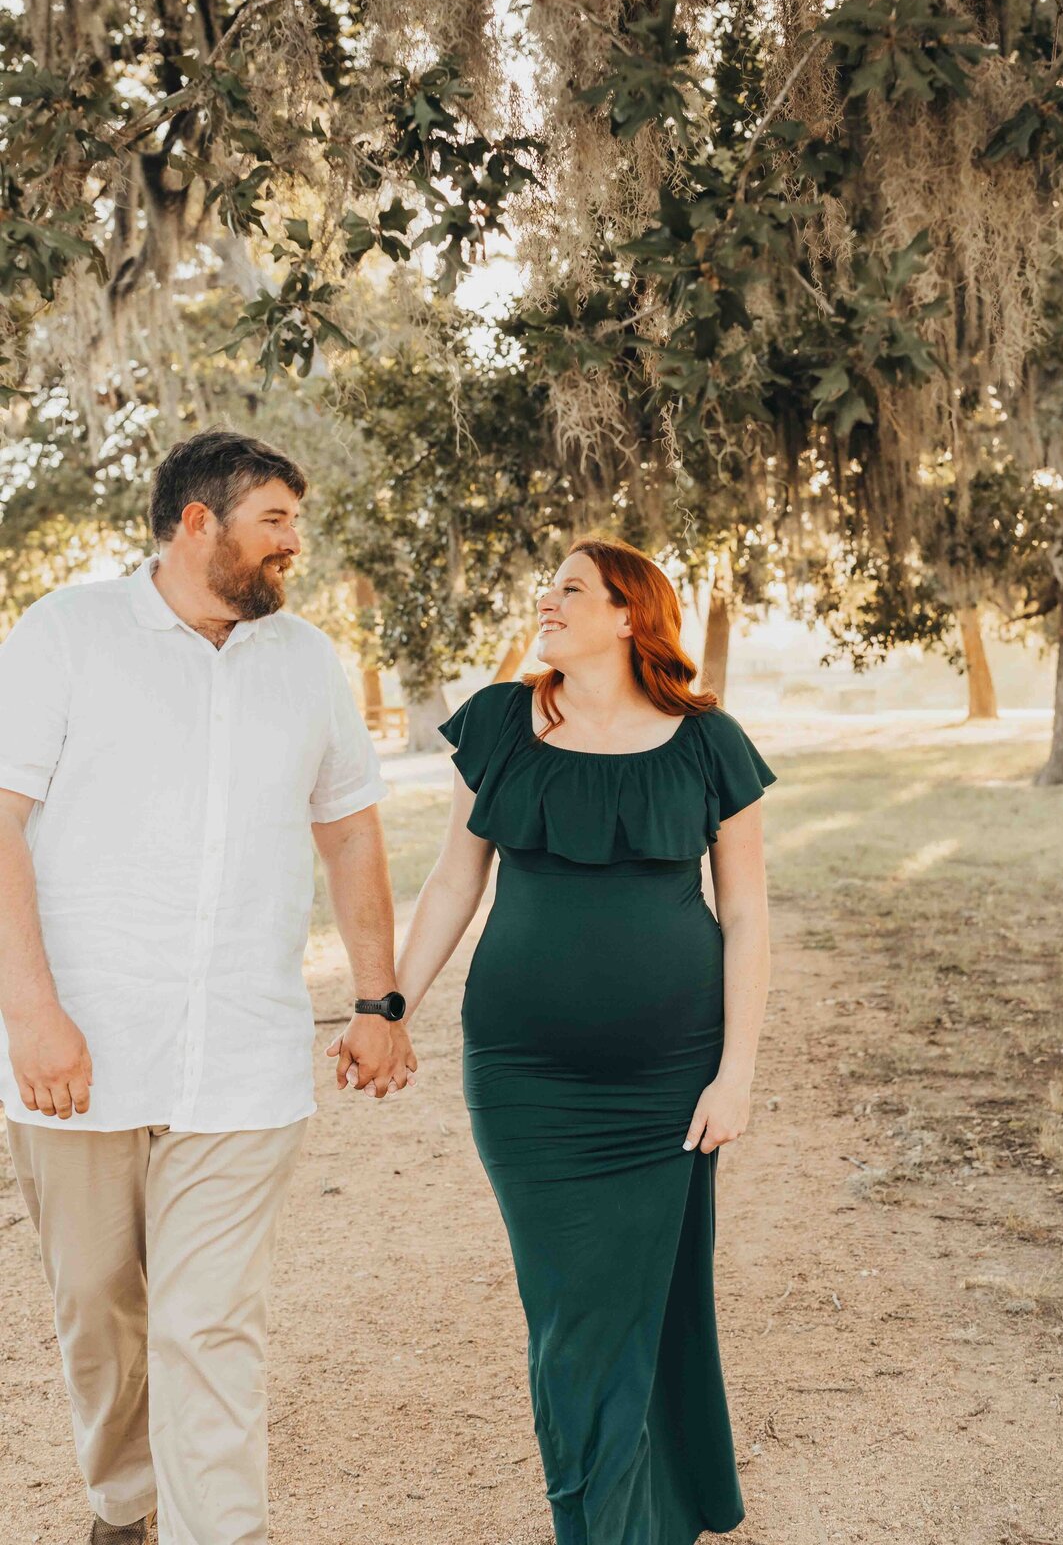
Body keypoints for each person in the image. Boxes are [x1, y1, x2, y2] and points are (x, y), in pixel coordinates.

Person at [0, 429, 416, 1545]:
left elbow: (350, 832)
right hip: (76, 1045)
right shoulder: (65, 637)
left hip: (242, 1053)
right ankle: (124, 1505)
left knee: (206, 1322)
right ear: (199, 520)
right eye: (275, 520)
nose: (295, 543)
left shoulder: (306, 664)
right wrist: (31, 1014)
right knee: (98, 1309)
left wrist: (379, 1003)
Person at [337, 536, 774, 1544]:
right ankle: (596, 1521)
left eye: (571, 588)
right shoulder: (499, 723)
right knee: (573, 1313)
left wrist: (736, 1073)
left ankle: (648, 1507)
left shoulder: (710, 744)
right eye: (546, 585)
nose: (546, 598)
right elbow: (456, 879)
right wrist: (389, 1005)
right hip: (527, 1078)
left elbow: (747, 914)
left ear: (629, 615)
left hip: (669, 1078)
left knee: (648, 1297)